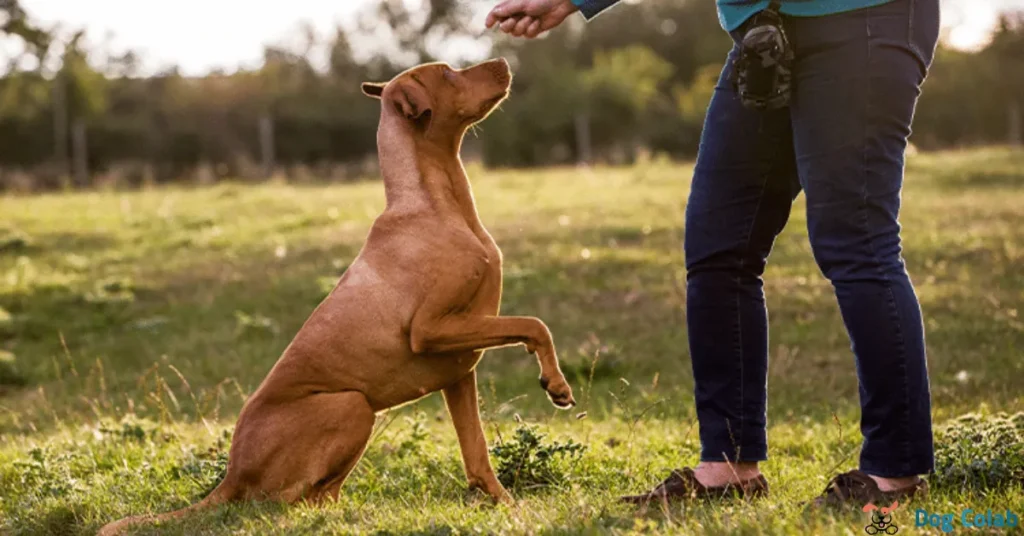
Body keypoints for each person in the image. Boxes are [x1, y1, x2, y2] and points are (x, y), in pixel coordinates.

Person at [486, 0, 939, 507]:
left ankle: (894, 470)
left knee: (856, 239)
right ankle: (729, 465)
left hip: (862, 18)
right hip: (765, 30)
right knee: (718, 247)